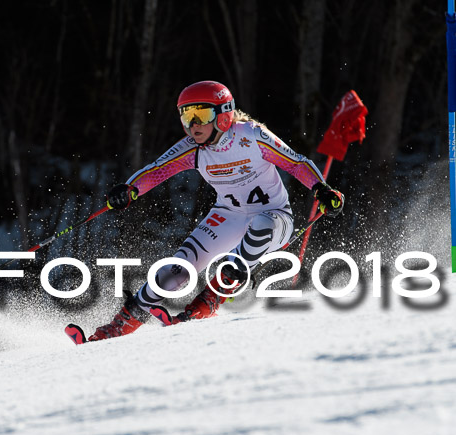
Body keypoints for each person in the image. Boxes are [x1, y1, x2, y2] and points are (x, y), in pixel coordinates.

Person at [89, 80, 344, 341]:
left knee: (261, 225)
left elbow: (295, 163)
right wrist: (130, 190)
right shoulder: (192, 148)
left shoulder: (251, 136)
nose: (194, 125)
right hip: (229, 215)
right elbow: (157, 170)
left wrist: (321, 189)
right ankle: (118, 327)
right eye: (187, 116)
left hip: (275, 217)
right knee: (176, 268)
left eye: (202, 115)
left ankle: (209, 300)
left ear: (223, 115)